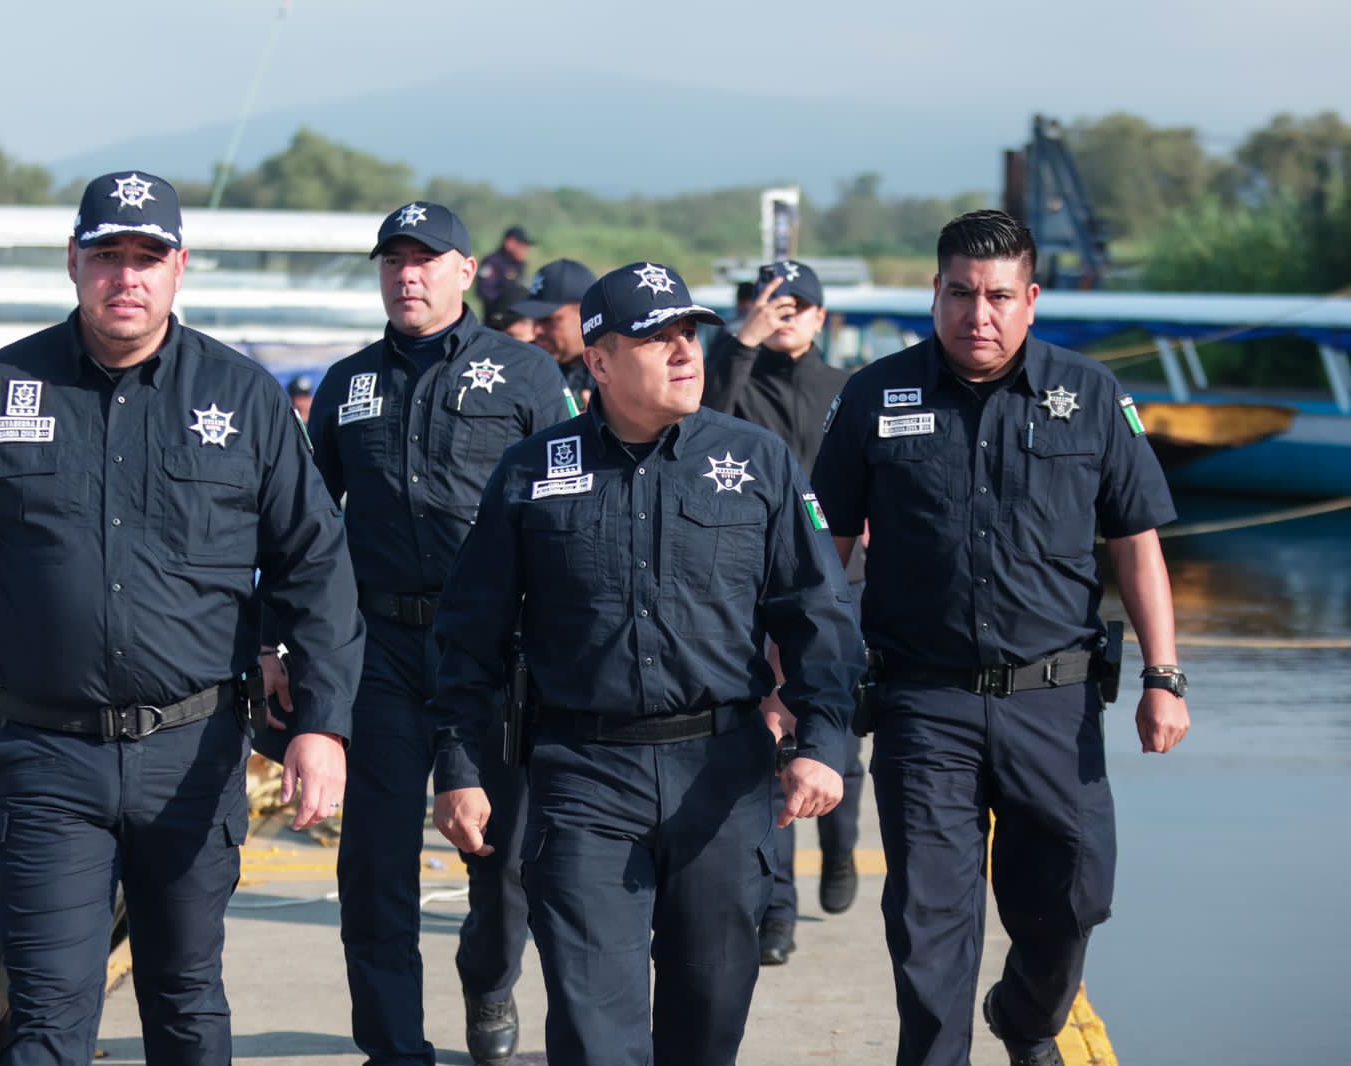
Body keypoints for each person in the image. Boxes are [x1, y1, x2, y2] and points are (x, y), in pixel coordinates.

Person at [0, 171, 366, 1066]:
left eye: (146, 257)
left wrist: (322, 724)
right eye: (107, 255)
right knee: (49, 1014)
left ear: (180, 268)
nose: (125, 277)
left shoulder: (244, 399)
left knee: (183, 998)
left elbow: (315, 566)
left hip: (192, 754)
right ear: (73, 262)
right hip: (48, 760)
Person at [431, 262, 866, 1065]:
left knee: (706, 1025)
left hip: (722, 774)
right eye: (656, 339)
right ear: (597, 362)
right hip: (583, 778)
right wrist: (459, 766)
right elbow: (469, 633)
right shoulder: (533, 470)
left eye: (688, 334)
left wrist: (822, 744)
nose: (684, 354)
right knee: (596, 1034)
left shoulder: (757, 462)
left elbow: (817, 613)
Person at [813, 209, 1191, 1066]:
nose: (976, 316)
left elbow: (1136, 544)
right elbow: (824, 559)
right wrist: (797, 689)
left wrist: (1164, 677)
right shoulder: (875, 396)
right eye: (958, 294)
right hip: (922, 700)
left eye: (996, 297)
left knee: (1076, 895)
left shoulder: (1090, 395)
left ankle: (1025, 1019)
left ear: (1031, 299)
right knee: (928, 920)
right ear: (934, 291)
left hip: (1052, 702)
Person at [285, 200, 573, 1066]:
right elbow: (300, 529)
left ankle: (488, 978)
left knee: (505, 861)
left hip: (495, 654)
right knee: (373, 871)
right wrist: (279, 642)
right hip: (378, 651)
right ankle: (394, 1050)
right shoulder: (347, 385)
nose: (406, 275)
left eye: (425, 259)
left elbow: (570, 515)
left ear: (463, 270)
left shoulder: (523, 376)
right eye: (392, 261)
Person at [701, 259, 866, 963]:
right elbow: (698, 413)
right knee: (774, 737)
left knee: (837, 728)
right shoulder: (735, 377)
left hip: (842, 574)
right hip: (755, 579)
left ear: (822, 319)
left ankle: (841, 848)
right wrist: (741, 340)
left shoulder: (846, 389)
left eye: (798, 304)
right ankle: (778, 909)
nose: (785, 313)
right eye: (772, 302)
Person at [511, 258, 598, 411]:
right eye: (535, 320)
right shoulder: (524, 365)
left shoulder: (617, 369)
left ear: (585, 313)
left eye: (549, 320)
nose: (537, 330)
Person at [475, 224, 533, 309]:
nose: (525, 250)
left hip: (517, 315)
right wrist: (506, 303)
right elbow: (484, 290)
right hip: (496, 317)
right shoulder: (492, 262)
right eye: (522, 246)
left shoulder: (519, 264)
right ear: (510, 243)